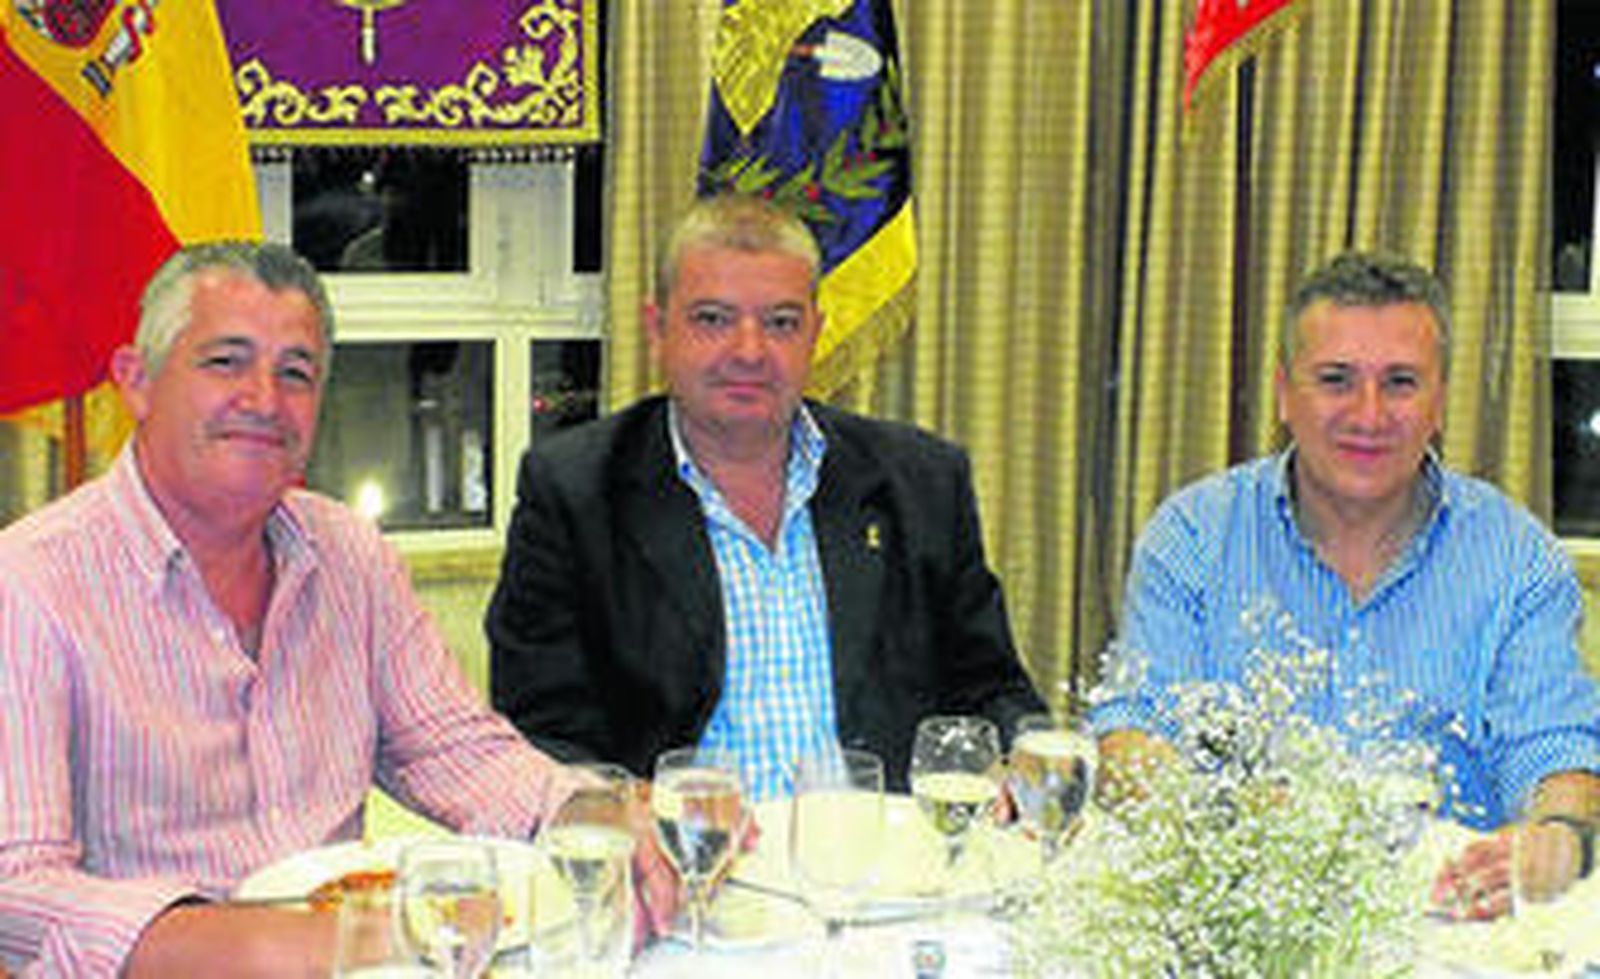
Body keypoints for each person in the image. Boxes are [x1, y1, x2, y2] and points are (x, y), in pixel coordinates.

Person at [0, 242, 673, 977]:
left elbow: (451, 748)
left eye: (296, 373)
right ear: (137, 381)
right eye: (225, 361)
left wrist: (578, 809)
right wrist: (257, 943)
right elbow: (15, 888)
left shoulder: (349, 555)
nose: (264, 399)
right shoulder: (29, 585)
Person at [486, 194, 1045, 800]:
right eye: (713, 319)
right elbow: (539, 737)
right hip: (685, 850)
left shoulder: (922, 481)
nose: (748, 352)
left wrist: (1021, 759)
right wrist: (634, 804)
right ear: (658, 329)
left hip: (888, 846)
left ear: (815, 334)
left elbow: (992, 690)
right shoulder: (574, 492)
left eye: (780, 323)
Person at [1093, 252, 1600, 915]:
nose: (1369, 414)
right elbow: (1133, 739)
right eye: (1336, 380)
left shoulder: (1519, 558)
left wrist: (1556, 837)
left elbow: (1554, 749)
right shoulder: (1192, 537)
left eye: (1400, 382)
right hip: (1235, 920)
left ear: (1440, 401)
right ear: (1284, 393)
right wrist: (1240, 816)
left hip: (1451, 924)